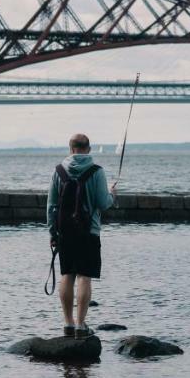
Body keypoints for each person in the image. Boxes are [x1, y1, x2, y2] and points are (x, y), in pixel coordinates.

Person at [47, 133, 117, 338]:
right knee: (84, 276)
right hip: (89, 232)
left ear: (70, 149)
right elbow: (103, 203)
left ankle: (67, 324)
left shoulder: (58, 172)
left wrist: (53, 232)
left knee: (67, 275)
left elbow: (51, 206)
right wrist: (112, 193)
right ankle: (81, 325)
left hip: (65, 232)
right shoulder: (97, 171)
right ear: (88, 149)